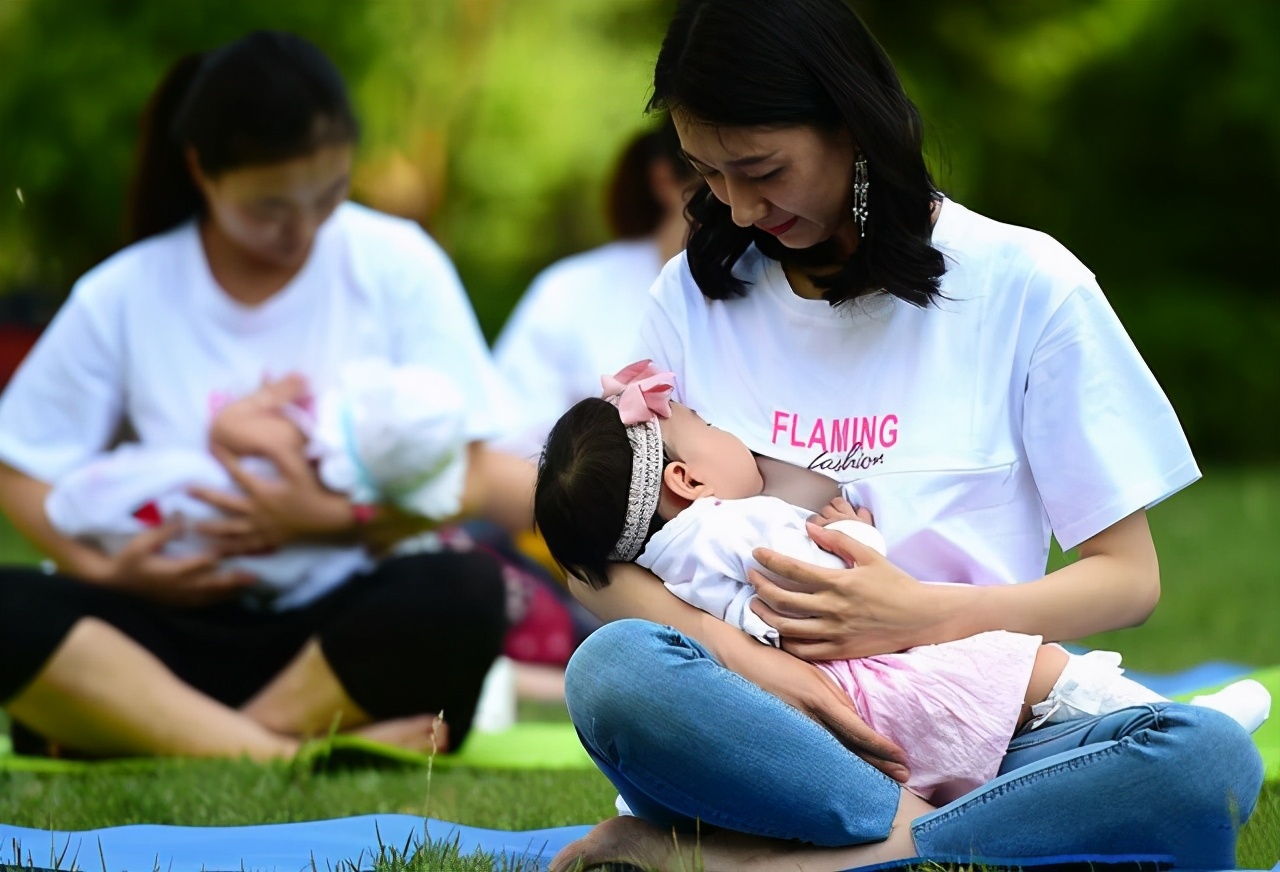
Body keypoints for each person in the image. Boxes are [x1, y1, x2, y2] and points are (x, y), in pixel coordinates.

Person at [546, 2, 1267, 870]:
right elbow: (598, 556)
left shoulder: (1027, 285)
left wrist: (923, 615)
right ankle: (959, 841)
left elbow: (1128, 580)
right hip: (773, 738)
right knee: (612, 671)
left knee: (1205, 760)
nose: (737, 208)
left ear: (852, 124)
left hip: (992, 733)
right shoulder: (691, 299)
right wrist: (769, 671)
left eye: (762, 170)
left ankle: (769, 859)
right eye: (709, 175)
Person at [0, 31, 532, 761]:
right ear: (202, 172)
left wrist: (333, 522)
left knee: (464, 589)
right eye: (270, 208)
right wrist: (107, 570)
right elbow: (19, 467)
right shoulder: (124, 291)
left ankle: (150, 731)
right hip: (170, 620)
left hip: (334, 630)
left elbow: (468, 475)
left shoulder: (397, 263)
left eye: (330, 195)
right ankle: (273, 751)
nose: (302, 229)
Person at [534, 363, 1270, 805]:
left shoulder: (671, 557)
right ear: (686, 480)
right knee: (1036, 665)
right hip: (868, 684)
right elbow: (827, 580)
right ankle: (1170, 724)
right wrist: (858, 535)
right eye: (710, 427)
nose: (734, 437)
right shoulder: (732, 525)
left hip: (810, 711)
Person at [44, 363, 471, 609]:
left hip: (169, 504)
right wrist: (350, 519)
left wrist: (269, 398)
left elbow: (225, 428)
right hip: (235, 573)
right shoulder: (353, 528)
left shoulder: (289, 440)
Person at [491, 116, 695, 461]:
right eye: (714, 174)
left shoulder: (780, 293)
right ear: (665, 180)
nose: (743, 202)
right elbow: (508, 446)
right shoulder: (569, 292)